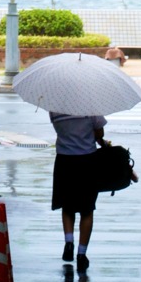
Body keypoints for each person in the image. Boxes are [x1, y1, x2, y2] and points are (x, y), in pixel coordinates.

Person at [50, 112, 107, 272]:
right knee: (87, 210)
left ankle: (69, 242)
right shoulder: (90, 106)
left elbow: (59, 129)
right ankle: (81, 254)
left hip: (64, 160)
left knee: (67, 206)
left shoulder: (54, 108)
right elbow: (100, 132)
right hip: (87, 160)